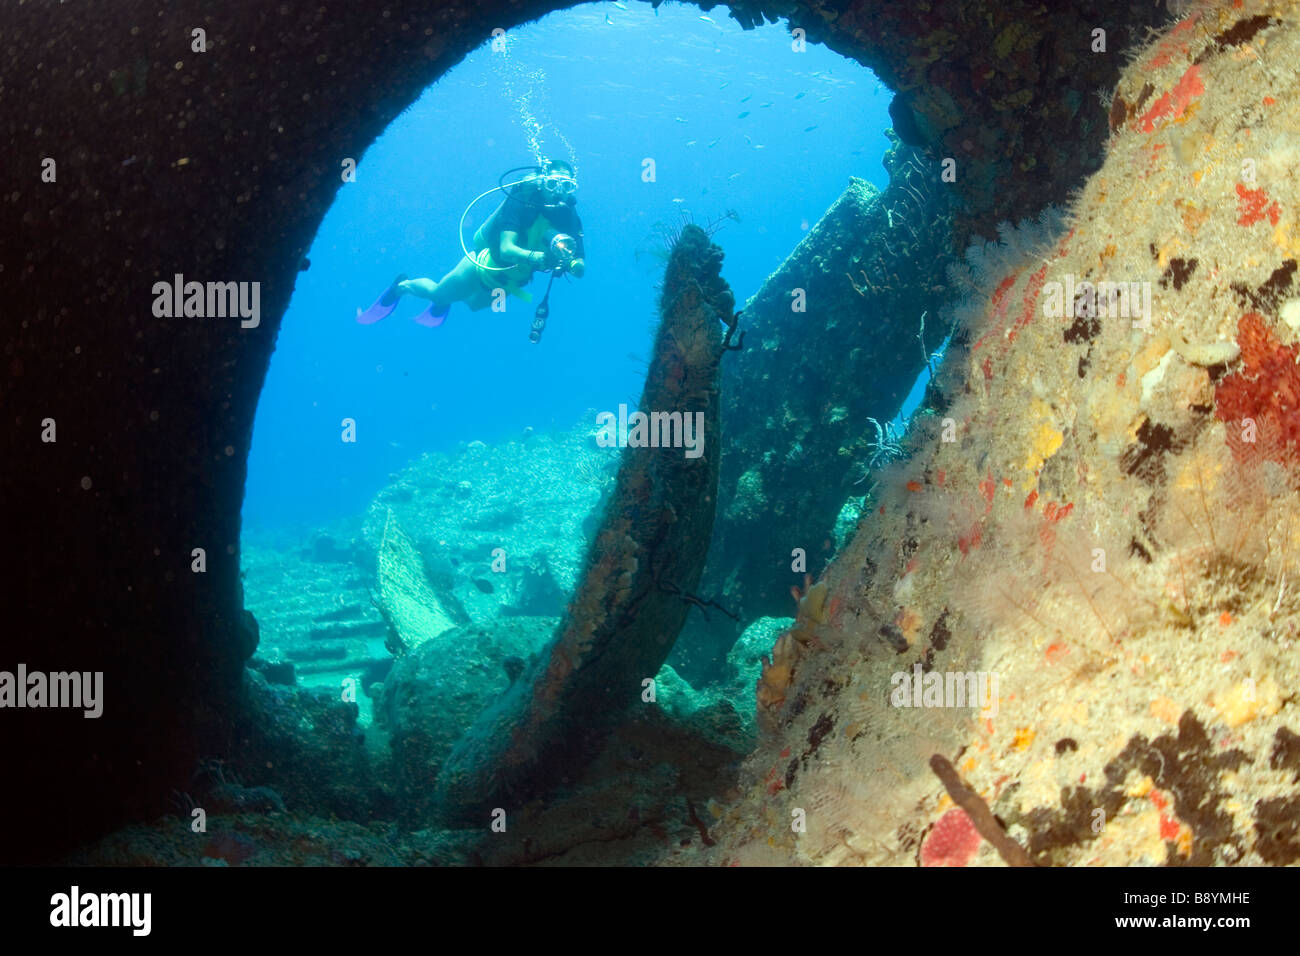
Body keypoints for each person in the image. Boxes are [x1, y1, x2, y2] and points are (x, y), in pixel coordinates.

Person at [358, 159, 586, 330]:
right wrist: (537, 258)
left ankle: (452, 295)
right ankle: (402, 286)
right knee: (438, 294)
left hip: (514, 280)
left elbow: (579, 262)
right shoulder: (520, 202)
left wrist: (573, 264)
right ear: (542, 181)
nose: (558, 192)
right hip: (483, 266)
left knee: (474, 306)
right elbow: (506, 249)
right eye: (553, 183)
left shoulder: (568, 216)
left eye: (566, 186)